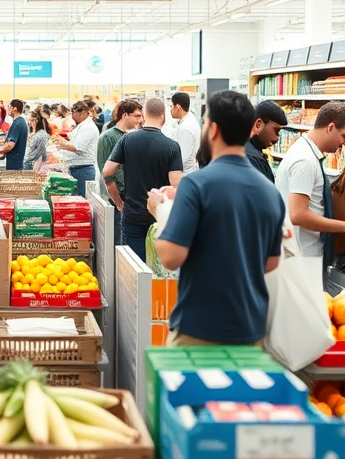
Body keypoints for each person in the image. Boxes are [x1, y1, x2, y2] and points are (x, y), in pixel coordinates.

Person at [151, 91, 285, 346]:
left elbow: (170, 257)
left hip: (200, 328)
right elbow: (270, 263)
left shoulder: (196, 184)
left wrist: (160, 211)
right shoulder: (270, 191)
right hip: (252, 328)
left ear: (212, 130)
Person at [274, 101, 345, 273]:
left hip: (300, 255)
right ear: (330, 127)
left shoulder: (306, 153)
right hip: (301, 258)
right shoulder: (304, 161)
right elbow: (298, 214)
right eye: (344, 136)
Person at [103, 99, 182, 262]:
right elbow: (176, 184)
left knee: (133, 270)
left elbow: (107, 172)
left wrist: (118, 201)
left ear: (144, 116)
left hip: (133, 215)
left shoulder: (127, 140)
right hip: (159, 218)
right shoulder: (172, 146)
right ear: (163, 117)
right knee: (158, 271)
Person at [97, 99, 144, 209]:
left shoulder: (129, 136)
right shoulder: (107, 137)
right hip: (114, 200)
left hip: (128, 197)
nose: (140, 120)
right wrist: (118, 203)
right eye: (137, 116)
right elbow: (106, 175)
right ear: (125, 115)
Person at [52, 100, 101, 198]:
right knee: (76, 198)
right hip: (77, 167)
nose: (72, 116)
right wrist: (63, 142)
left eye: (72, 113)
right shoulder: (82, 125)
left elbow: (76, 147)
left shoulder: (88, 127)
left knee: (81, 199)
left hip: (83, 169)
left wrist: (62, 143)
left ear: (81, 113)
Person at [244, 101, 288, 182]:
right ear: (258, 125)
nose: (277, 138)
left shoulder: (245, 150)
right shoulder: (252, 158)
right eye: (276, 131)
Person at [0, 99, 29, 170]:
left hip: (14, 165)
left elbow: (9, 146)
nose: (7, 109)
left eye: (9, 107)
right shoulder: (20, 122)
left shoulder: (18, 123)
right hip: (16, 163)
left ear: (15, 109)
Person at [170, 92, 201, 173]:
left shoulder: (185, 128)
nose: (171, 110)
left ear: (178, 107)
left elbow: (183, 157)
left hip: (186, 171)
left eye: (171, 106)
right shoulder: (189, 119)